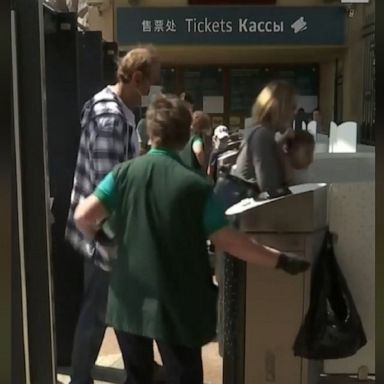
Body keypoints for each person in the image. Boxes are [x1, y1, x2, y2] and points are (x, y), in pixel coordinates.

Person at [73, 95, 310, 384]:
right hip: (177, 307)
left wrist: (106, 240)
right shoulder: (195, 187)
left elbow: (83, 216)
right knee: (183, 375)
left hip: (128, 302)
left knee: (138, 375)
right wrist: (281, 260)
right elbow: (231, 242)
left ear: (150, 133)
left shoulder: (122, 175)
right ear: (186, 134)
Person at [65, 46, 161, 384]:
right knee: (99, 311)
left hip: (99, 233)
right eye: (148, 85)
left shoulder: (111, 110)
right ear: (135, 79)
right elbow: (108, 187)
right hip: (103, 236)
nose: (149, 92)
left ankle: (138, 368)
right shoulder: (111, 119)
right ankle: (81, 378)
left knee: (109, 307)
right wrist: (115, 239)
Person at [235, 80, 297, 195]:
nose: (294, 113)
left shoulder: (262, 133)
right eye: (292, 107)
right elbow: (270, 189)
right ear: (279, 108)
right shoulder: (262, 136)